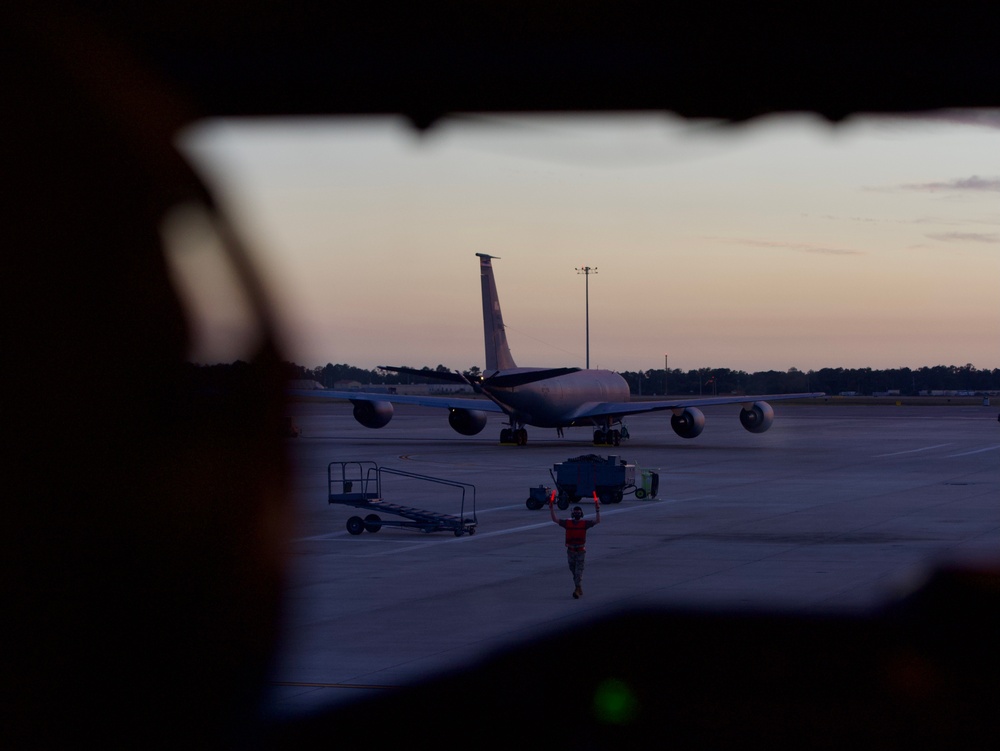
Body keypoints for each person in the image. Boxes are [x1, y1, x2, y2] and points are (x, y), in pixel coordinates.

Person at [550, 494, 601, 598]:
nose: (577, 513)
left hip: (580, 551)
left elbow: (597, 521)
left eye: (578, 512)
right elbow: (555, 520)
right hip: (570, 551)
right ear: (573, 513)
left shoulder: (585, 524)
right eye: (575, 512)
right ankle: (578, 587)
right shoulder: (567, 523)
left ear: (581, 514)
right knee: (573, 570)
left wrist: (597, 510)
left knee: (578, 571)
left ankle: (577, 590)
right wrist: (551, 509)